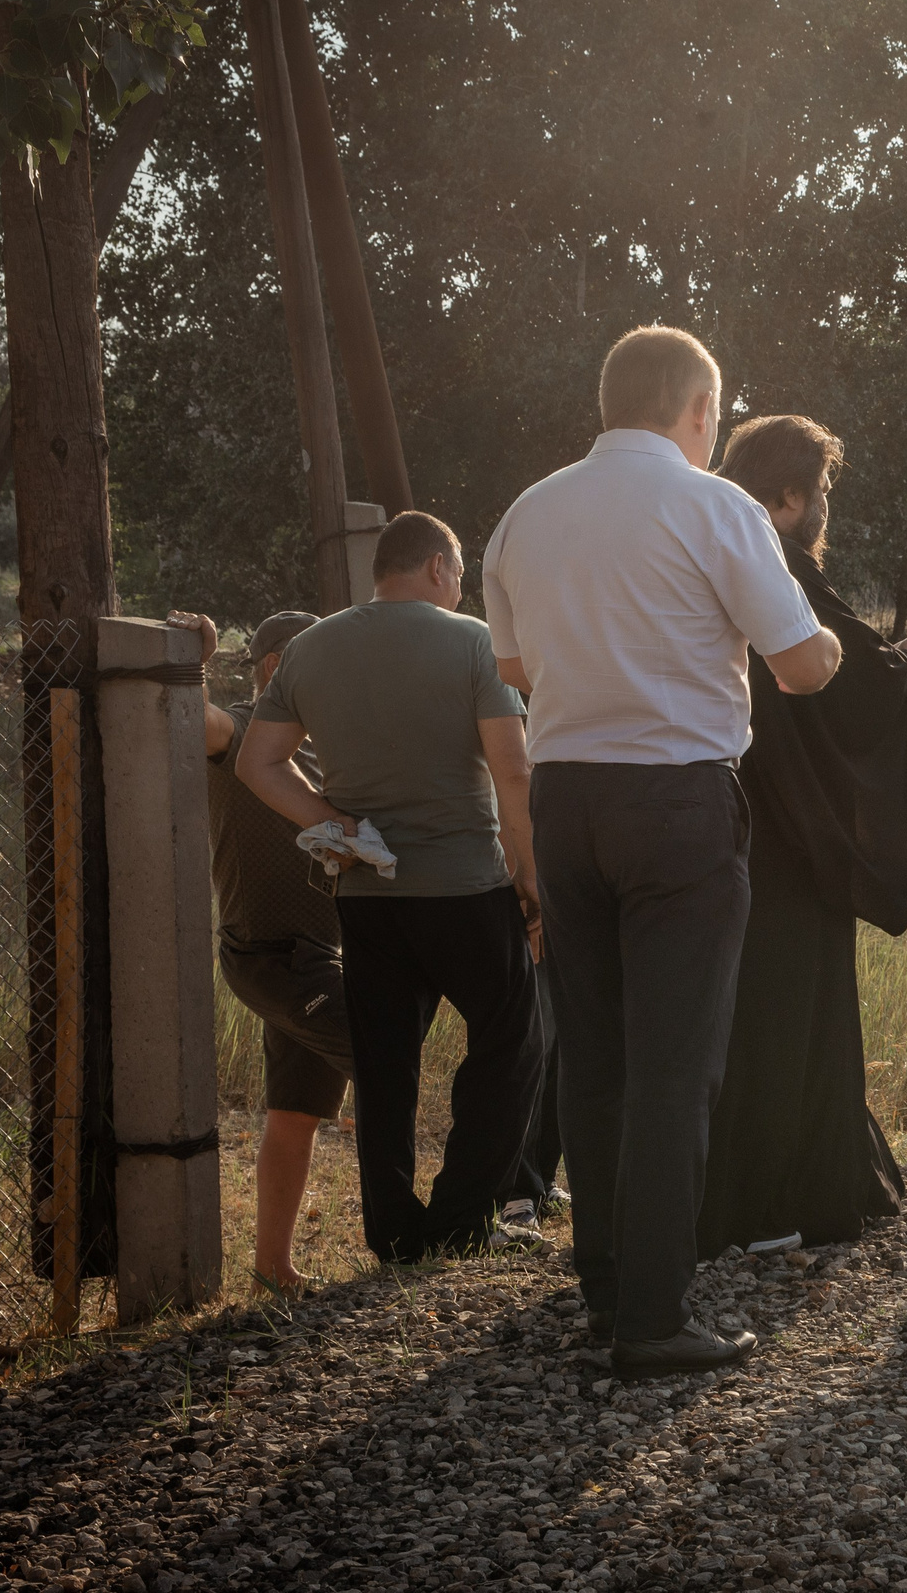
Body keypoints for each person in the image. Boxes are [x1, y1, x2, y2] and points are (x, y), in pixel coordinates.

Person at [482, 325, 843, 1377]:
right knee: (676, 1064)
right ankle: (652, 1315)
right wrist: (817, 646)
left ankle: (602, 1285)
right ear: (698, 411)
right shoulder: (713, 503)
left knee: (595, 1052)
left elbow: (511, 661)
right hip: (676, 800)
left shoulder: (524, 514)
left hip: (565, 799)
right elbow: (801, 665)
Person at [236, 511, 549, 1265]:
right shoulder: (473, 641)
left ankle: (394, 1233)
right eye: (461, 574)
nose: (461, 586)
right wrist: (530, 875)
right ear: (440, 567)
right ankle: (461, 1218)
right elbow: (512, 768)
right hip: (466, 888)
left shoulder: (309, 649)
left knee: (384, 1064)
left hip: (369, 898)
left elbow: (258, 764)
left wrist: (334, 827)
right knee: (513, 1039)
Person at [700, 414, 907, 1257]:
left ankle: (718, 1196)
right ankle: (779, 1201)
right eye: (824, 491)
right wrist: (905, 664)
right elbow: (838, 676)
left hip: (714, 811)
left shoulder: (704, 547)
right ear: (792, 496)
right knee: (784, 1009)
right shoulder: (777, 564)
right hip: (788, 839)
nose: (826, 507)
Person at [173, 607, 353, 1296]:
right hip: (270, 956)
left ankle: (273, 1268)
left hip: (319, 957)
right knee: (381, 1054)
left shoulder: (326, 746)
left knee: (296, 1110)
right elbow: (196, 721)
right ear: (276, 668)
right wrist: (195, 661)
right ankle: (428, 1231)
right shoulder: (245, 732)